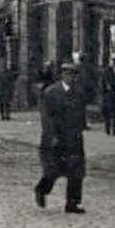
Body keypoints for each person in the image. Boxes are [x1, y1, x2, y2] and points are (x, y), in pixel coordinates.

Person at [34, 59, 88, 213]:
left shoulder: (78, 92)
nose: (70, 77)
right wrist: (51, 136)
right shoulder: (51, 92)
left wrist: (82, 127)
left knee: (77, 171)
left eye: (72, 75)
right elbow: (46, 117)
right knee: (54, 169)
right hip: (56, 137)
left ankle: (72, 203)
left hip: (74, 136)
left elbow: (81, 112)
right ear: (62, 75)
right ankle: (41, 190)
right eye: (67, 74)